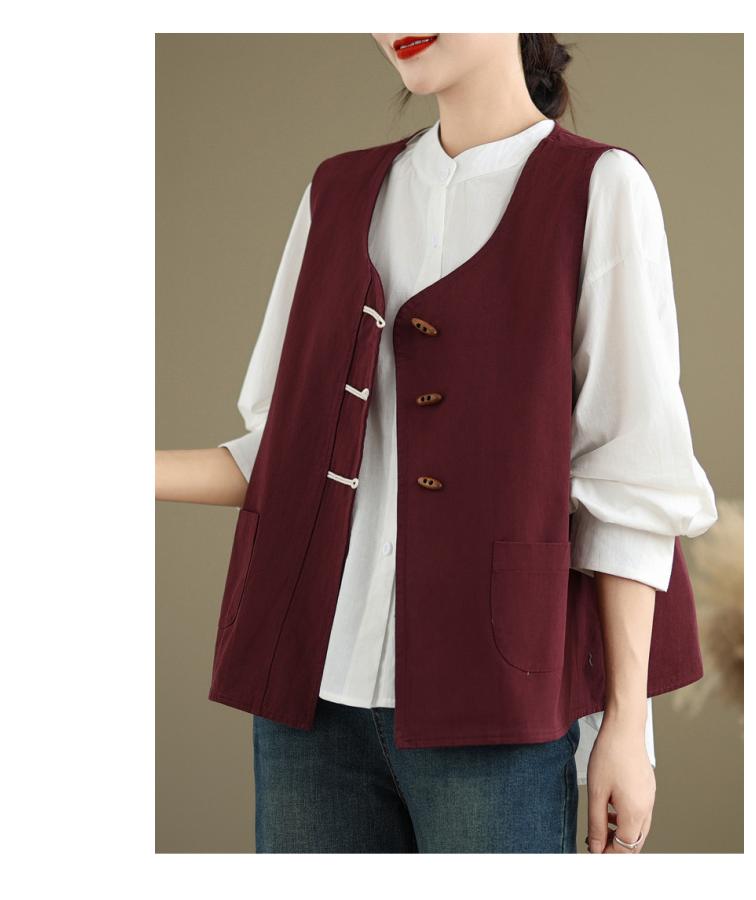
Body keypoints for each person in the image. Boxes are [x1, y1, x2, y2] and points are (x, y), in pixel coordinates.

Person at [156, 33, 718, 853]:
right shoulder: (336, 192)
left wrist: (627, 727)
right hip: (312, 702)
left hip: (499, 706)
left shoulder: (599, 188)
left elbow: (630, 477)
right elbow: (285, 457)